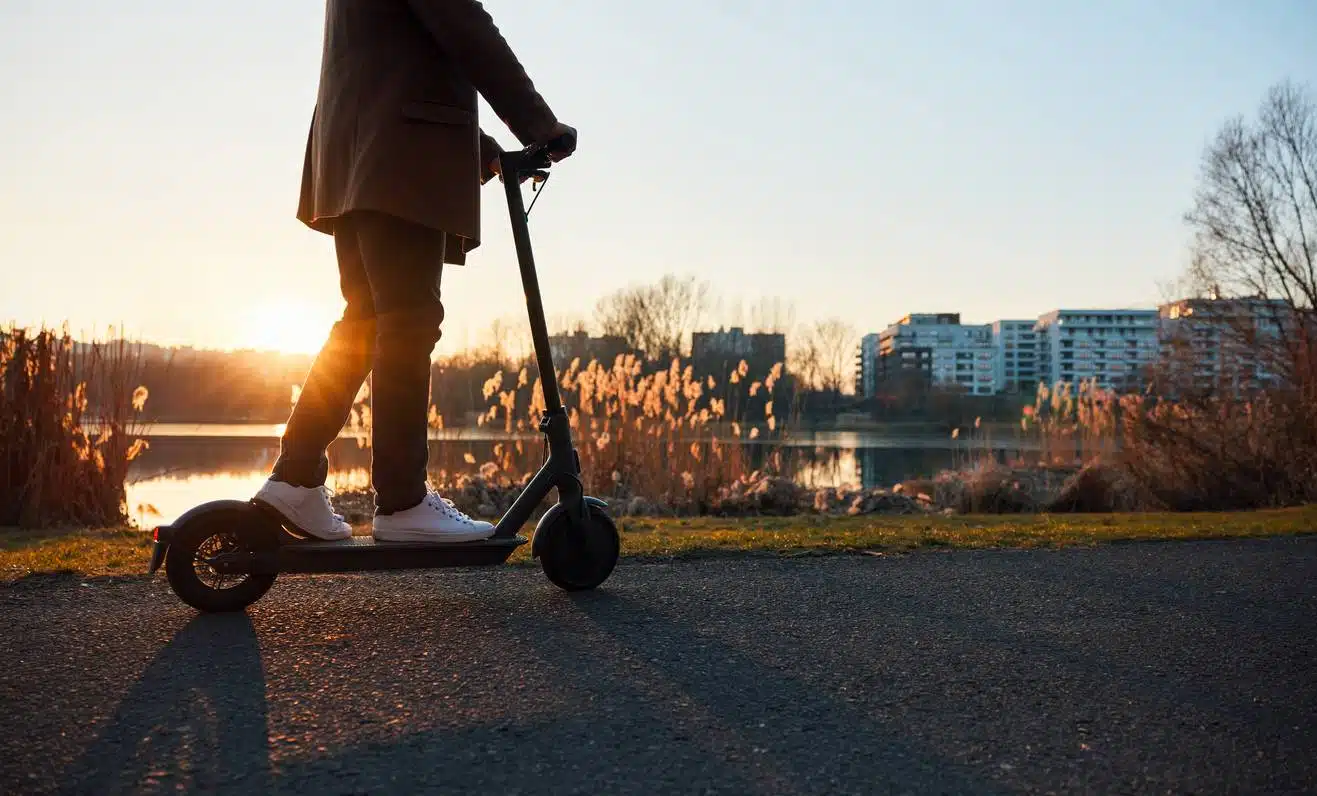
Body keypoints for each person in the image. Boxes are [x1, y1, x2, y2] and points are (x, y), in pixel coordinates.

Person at [252, 0, 576, 544]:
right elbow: (461, 23)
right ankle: (402, 501)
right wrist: (539, 125)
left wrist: (483, 150)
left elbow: (395, 53)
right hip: (397, 155)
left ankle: (296, 477)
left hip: (353, 150)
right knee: (408, 321)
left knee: (366, 322)